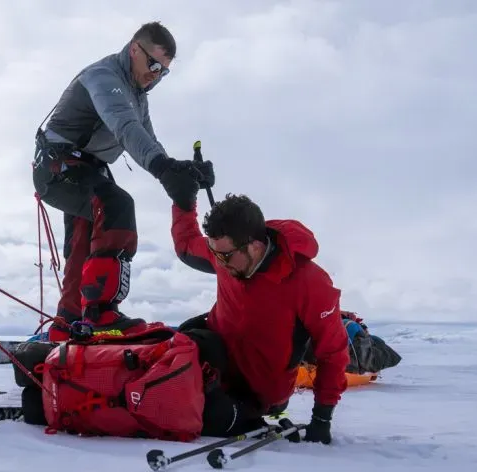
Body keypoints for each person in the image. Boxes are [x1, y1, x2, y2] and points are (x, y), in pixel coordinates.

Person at [32, 21, 213, 340]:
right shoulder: (103, 77)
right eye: (154, 64)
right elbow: (126, 128)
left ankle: (69, 324)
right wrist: (163, 169)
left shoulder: (138, 95)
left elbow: (149, 142)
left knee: (85, 242)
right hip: (57, 166)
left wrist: (184, 171)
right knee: (116, 205)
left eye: (164, 71)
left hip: (87, 169)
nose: (156, 75)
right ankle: (101, 314)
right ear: (134, 49)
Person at [171, 192, 350, 444]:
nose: (219, 262)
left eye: (224, 256)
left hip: (257, 391)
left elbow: (332, 352)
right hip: (216, 360)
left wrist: (322, 417)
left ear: (254, 246)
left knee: (202, 418)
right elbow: (186, 244)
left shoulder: (309, 282)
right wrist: (183, 200)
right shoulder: (226, 252)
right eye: (214, 252)